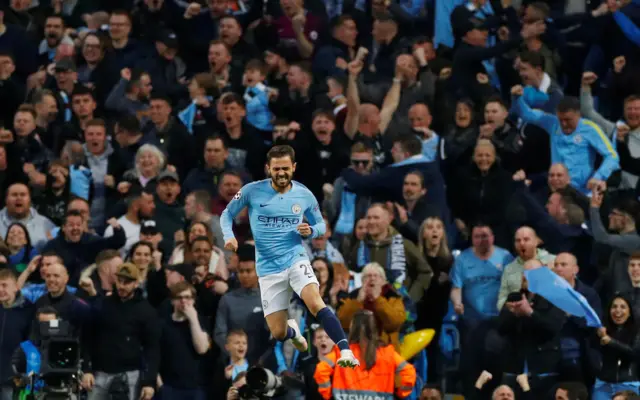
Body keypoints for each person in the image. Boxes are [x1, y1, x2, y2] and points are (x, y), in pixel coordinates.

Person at [220, 144, 359, 367]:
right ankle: (293, 331)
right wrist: (229, 235)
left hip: (295, 258)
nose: (281, 173)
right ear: (268, 168)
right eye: (276, 169)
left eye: (285, 168)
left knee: (315, 302)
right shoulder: (251, 191)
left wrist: (311, 230)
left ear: (293, 167)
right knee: (278, 332)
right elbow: (227, 214)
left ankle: (345, 351)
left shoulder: (304, 194)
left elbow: (321, 226)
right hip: (268, 269)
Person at [314, 309, 417, 399]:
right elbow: (409, 372)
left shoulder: (342, 352)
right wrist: (401, 393)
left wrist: (327, 394)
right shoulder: (387, 353)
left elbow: (321, 370)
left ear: (353, 327)